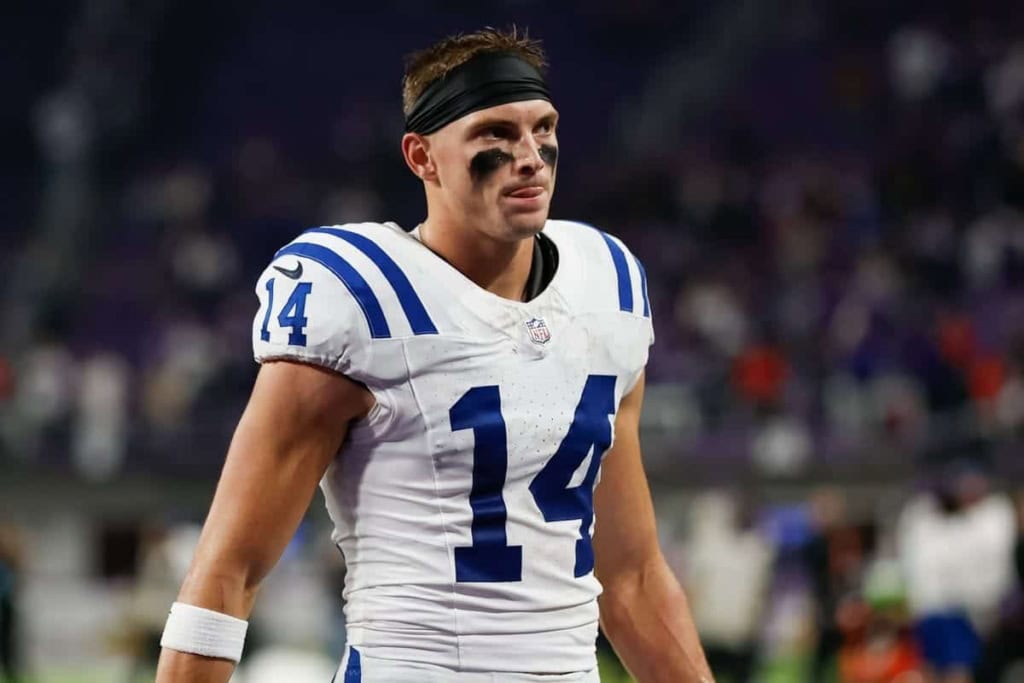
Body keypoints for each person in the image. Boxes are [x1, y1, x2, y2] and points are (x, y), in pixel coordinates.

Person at [156, 27, 713, 683]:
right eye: (496, 136)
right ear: (423, 156)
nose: (530, 156)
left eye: (542, 128)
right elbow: (228, 568)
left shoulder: (607, 288)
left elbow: (633, 577)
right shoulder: (360, 298)